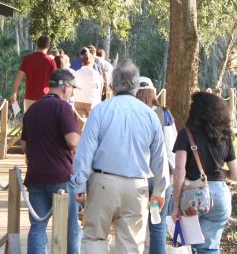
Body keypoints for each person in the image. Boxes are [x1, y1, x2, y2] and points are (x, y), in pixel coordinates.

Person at [71, 60, 167, 254]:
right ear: (136, 85)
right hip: (137, 186)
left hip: (102, 183)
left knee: (94, 238)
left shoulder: (100, 110)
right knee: (131, 245)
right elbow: (160, 157)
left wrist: (79, 183)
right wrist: (160, 189)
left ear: (112, 85)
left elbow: (85, 150)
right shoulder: (150, 115)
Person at [20, 69, 82, 254]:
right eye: (72, 88)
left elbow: (24, 145)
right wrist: (82, 141)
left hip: (36, 176)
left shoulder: (32, 109)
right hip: (61, 175)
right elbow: (72, 141)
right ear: (65, 87)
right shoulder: (62, 108)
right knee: (71, 227)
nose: (72, 93)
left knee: (38, 227)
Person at [171, 92, 237, 254]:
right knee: (210, 248)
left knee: (190, 246)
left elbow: (180, 171)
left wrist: (176, 206)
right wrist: (219, 172)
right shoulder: (225, 137)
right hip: (220, 195)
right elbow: (236, 175)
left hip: (193, 196)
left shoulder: (185, 135)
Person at [136, 77, 176, 254]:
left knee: (134, 225)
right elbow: (170, 146)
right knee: (157, 227)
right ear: (153, 92)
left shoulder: (131, 113)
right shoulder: (164, 114)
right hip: (160, 177)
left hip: (138, 177)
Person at [11, 35, 56, 112]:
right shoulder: (51, 62)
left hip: (29, 96)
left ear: (37, 45)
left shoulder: (27, 59)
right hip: (45, 97)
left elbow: (19, 77)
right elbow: (55, 81)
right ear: (48, 47)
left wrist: (14, 93)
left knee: (29, 122)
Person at [73, 52, 104, 120]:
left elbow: (73, 86)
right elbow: (99, 87)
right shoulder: (96, 74)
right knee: (91, 124)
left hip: (79, 99)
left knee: (80, 124)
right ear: (92, 62)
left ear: (82, 62)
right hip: (92, 100)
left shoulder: (76, 73)